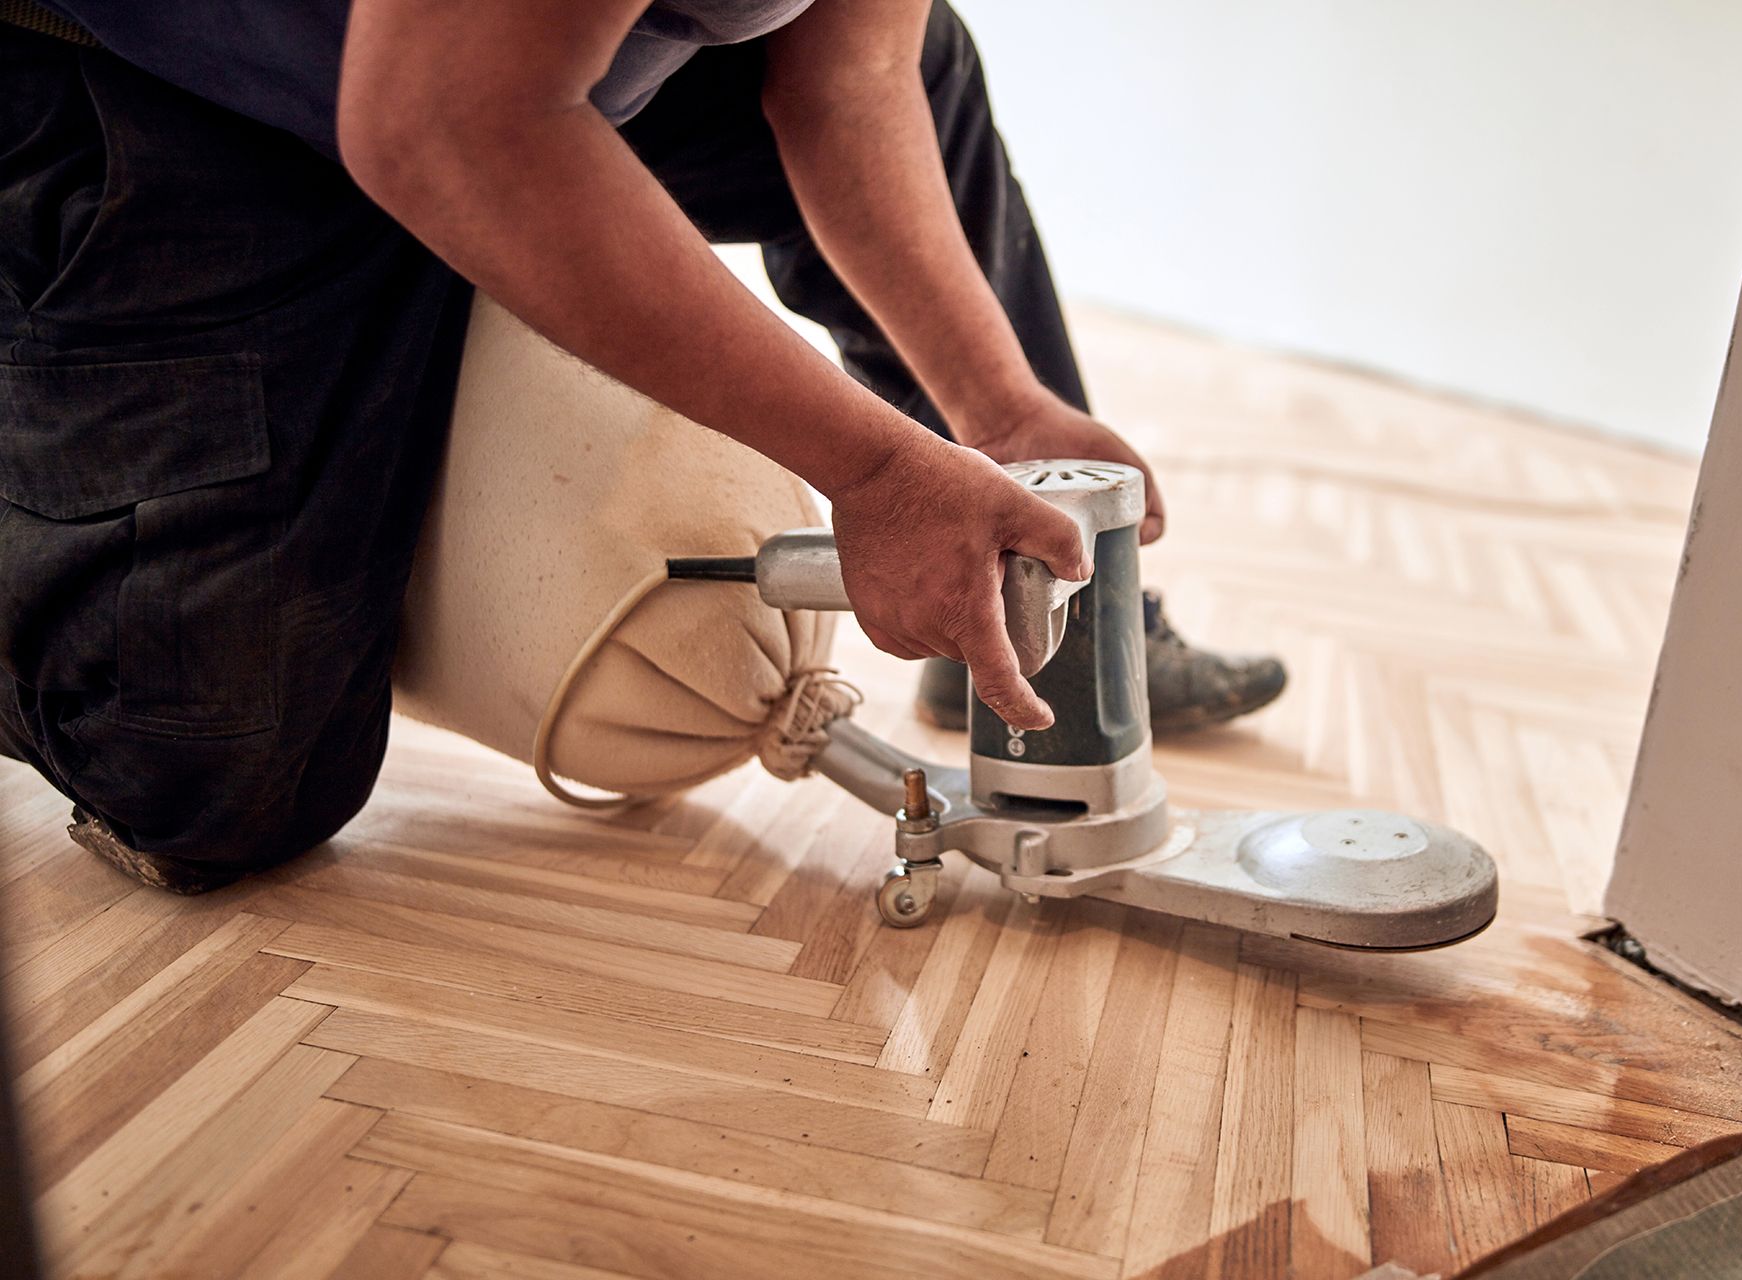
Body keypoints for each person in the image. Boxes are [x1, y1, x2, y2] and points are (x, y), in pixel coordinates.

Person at [0, 0, 1287, 893]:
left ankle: (1025, 626)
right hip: (157, 89)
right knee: (216, 783)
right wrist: (876, 470)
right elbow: (446, 125)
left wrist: (994, 413)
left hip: (491, 72)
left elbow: (853, 78)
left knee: (925, 52)